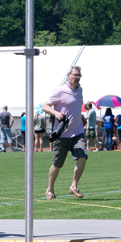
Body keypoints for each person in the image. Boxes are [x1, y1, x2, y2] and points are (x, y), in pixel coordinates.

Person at [41, 66, 87, 200]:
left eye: (79, 75)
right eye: (75, 75)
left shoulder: (80, 90)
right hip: (62, 134)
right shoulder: (60, 91)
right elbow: (45, 106)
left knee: (82, 157)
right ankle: (49, 189)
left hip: (78, 132)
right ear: (68, 75)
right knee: (57, 164)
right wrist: (56, 113)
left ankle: (74, 186)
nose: (77, 77)